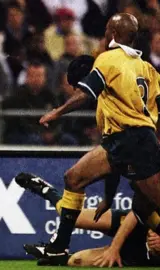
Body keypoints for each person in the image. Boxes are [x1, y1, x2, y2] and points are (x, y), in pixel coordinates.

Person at [21, 13, 160, 265]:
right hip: (128, 141)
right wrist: (108, 197)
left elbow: (86, 92)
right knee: (73, 178)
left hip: (136, 141)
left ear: (114, 34)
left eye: (107, 29)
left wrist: (57, 111)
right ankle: (58, 247)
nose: (104, 34)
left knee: (152, 205)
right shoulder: (148, 69)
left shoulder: (108, 59)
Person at [16, 172, 160, 267]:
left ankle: (57, 256)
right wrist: (114, 249)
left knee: (74, 261)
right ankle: (47, 191)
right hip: (140, 227)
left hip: (142, 255)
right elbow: (137, 212)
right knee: (75, 218)